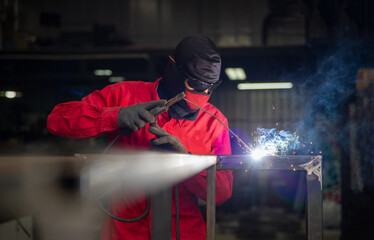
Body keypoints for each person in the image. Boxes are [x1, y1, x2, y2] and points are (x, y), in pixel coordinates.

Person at [47, 34, 233, 240]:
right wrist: (115, 116)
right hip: (126, 230)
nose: (203, 94)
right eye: (195, 85)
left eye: (210, 87)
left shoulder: (215, 121)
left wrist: (186, 160)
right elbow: (57, 120)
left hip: (184, 233)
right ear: (174, 72)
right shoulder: (125, 95)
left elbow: (222, 192)